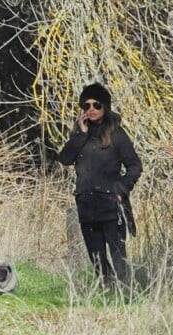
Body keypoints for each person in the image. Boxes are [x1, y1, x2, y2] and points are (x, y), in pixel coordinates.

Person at [57, 82, 142, 287]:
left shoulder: (117, 135)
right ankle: (109, 292)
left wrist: (121, 190)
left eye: (97, 105)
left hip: (111, 206)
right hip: (87, 204)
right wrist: (81, 134)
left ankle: (126, 294)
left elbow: (135, 166)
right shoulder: (80, 136)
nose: (92, 109)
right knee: (97, 259)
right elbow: (65, 159)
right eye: (86, 106)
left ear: (105, 106)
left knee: (118, 258)